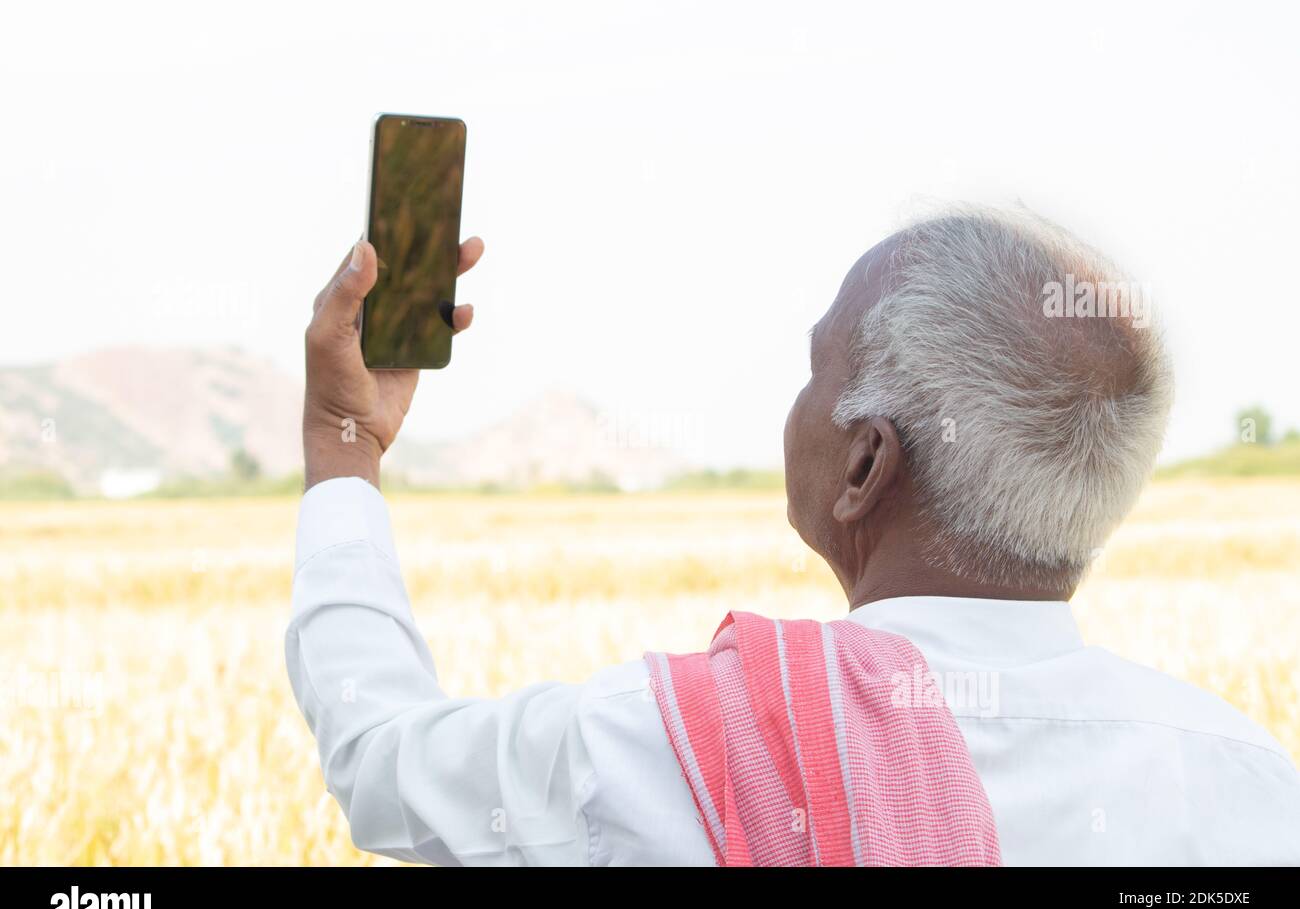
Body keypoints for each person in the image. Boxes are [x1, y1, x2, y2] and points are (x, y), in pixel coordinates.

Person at [286, 206, 1300, 865]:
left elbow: (383, 757)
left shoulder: (666, 744)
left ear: (865, 464)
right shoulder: (1245, 778)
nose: (795, 402)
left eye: (817, 366)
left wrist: (346, 447)